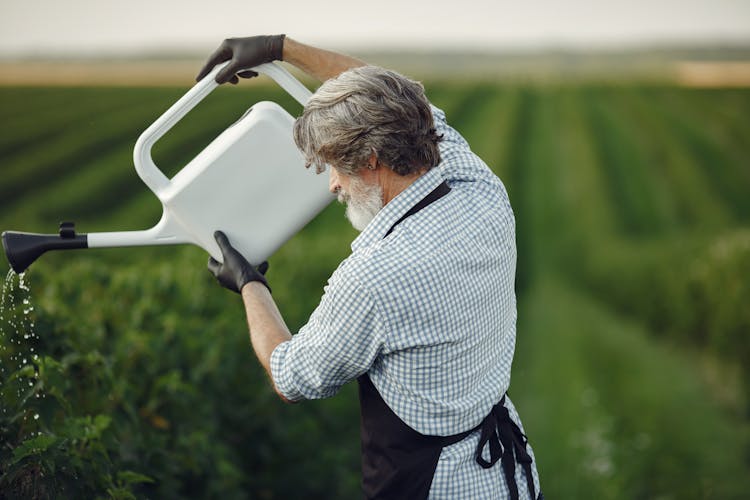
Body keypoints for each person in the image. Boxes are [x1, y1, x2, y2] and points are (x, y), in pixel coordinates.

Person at [201, 35, 542, 500]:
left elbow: (292, 377)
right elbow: (397, 97)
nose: (333, 185)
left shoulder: (375, 275)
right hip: (507, 475)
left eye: (336, 167)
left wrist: (248, 284)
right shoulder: (476, 182)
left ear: (373, 160)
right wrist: (279, 48)